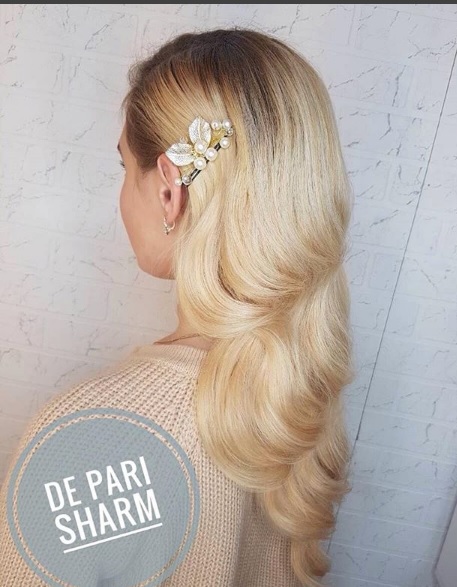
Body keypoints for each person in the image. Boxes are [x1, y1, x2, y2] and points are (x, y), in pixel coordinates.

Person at [0, 27, 355, 587]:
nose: (122, 194)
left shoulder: (88, 440)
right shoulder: (299, 385)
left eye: (124, 167)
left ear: (170, 190)